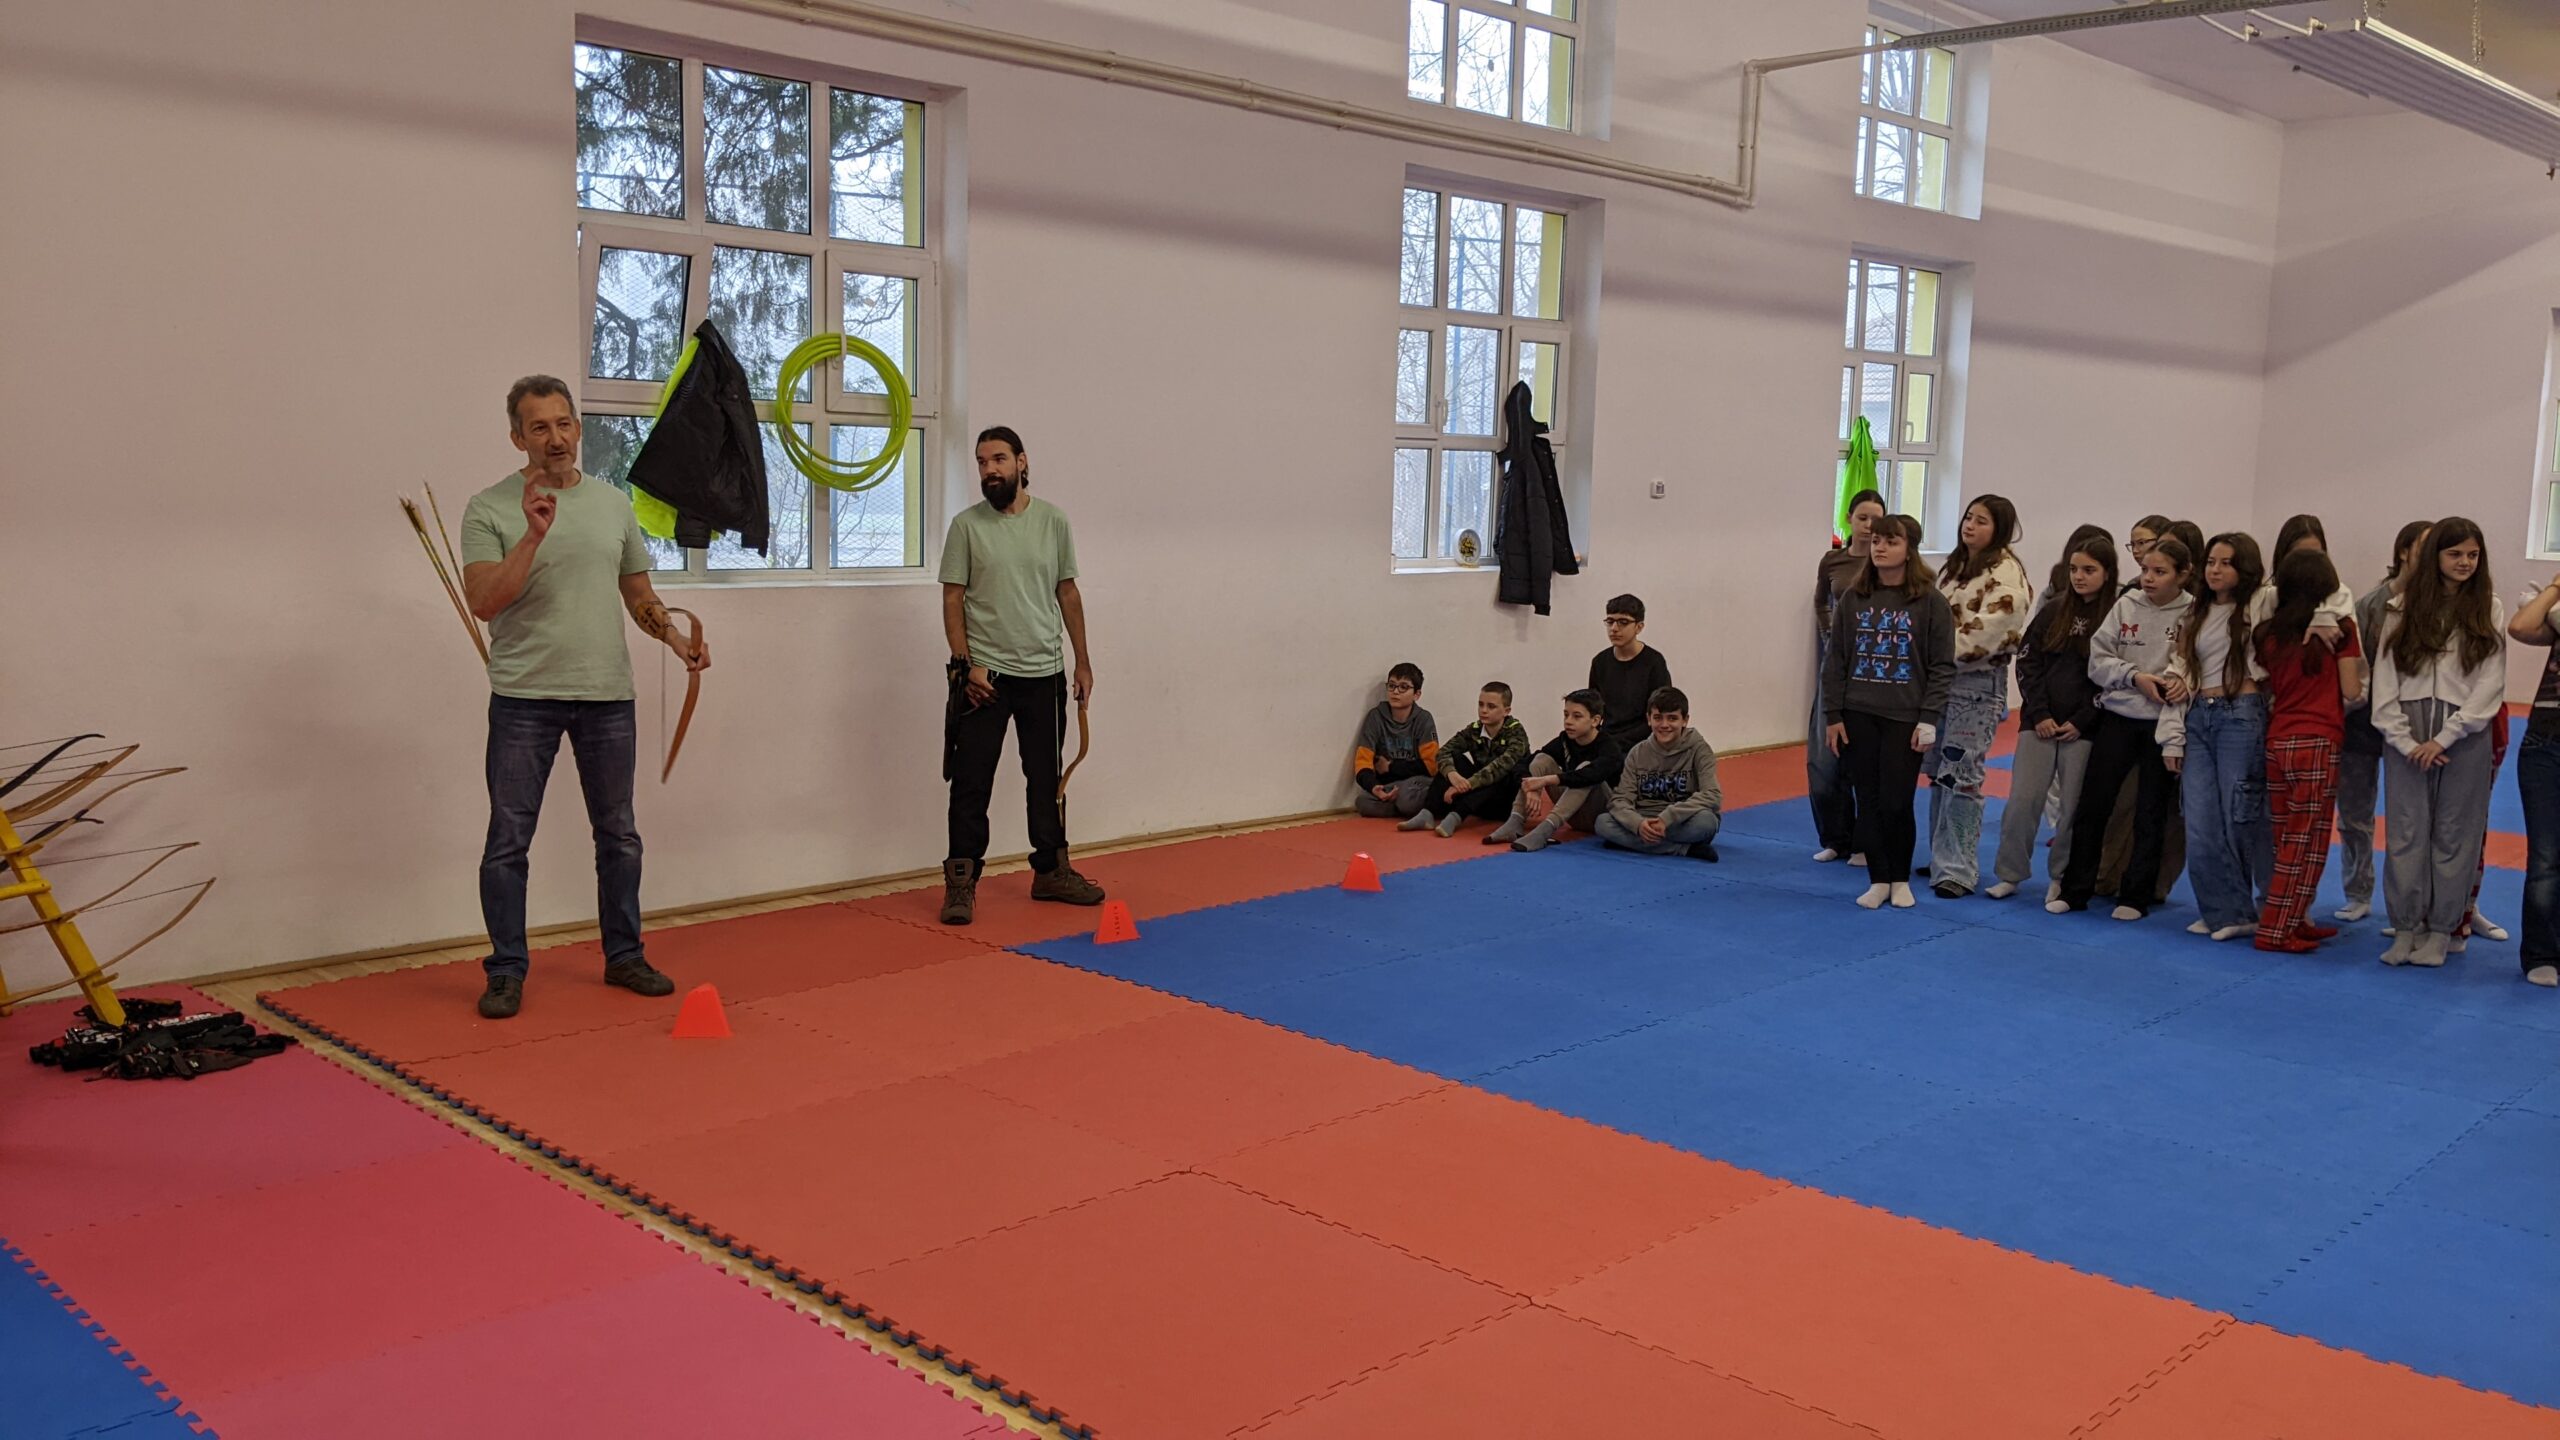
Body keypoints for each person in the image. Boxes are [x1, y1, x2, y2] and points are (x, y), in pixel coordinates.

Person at [458, 376, 704, 1019]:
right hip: (523, 697)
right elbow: (483, 602)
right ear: (517, 437)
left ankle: (624, 956)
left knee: (619, 835)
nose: (556, 437)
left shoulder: (612, 505)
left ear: (577, 428)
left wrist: (675, 638)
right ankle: (506, 970)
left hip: (606, 695)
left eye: (564, 423)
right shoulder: (488, 508)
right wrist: (532, 535)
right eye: (539, 427)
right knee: (508, 840)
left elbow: (639, 594)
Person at [938, 426, 1103, 926]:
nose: (989, 469)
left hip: (1045, 674)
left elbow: (1067, 592)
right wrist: (966, 665)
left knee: (1045, 779)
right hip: (984, 680)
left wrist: (1082, 661)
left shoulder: (1053, 521)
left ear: (1021, 462)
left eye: (998, 459)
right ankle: (961, 881)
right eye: (981, 461)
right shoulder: (966, 527)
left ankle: (1050, 871)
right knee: (971, 782)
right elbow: (952, 599)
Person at [2371, 518, 2506, 968]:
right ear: (2435, 557)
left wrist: (2447, 735)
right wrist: (2403, 738)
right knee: (2406, 833)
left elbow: (2491, 682)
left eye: (2473, 554)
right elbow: (2384, 678)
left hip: (2465, 732)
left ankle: (2441, 931)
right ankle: (2405, 927)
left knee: (2455, 834)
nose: (2465, 562)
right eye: (2455, 554)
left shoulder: (2489, 608)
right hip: (2406, 732)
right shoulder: (2402, 607)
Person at [2053, 536, 2196, 921]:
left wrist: (2180, 682)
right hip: (2118, 718)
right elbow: (2098, 661)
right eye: (2145, 570)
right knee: (2093, 805)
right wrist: (2134, 677)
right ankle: (2075, 889)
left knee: (2150, 812)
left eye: (2160, 572)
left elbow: (2193, 663)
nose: (2148, 578)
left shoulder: (2192, 613)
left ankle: (2135, 896)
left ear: (2183, 575)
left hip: (2162, 725)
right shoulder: (2126, 604)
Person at [1824, 514, 1955, 909]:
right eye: (1876, 541)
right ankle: (1878, 879)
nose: (1880, 548)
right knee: (1869, 801)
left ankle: (1900, 878)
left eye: (1891, 542)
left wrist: (1929, 717)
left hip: (1905, 715)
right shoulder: (1855, 597)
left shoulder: (1930, 601)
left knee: (1896, 801)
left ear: (1909, 549)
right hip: (1858, 711)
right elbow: (1836, 658)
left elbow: (1941, 665)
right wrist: (1833, 715)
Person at [1990, 533, 2117, 901]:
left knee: (2073, 808)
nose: (2079, 576)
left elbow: (2112, 677)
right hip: (2039, 722)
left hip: (2085, 726)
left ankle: (2061, 876)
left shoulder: (2116, 617)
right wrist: (2040, 713)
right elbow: (2028, 661)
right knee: (2022, 801)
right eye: (2074, 569)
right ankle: (2010, 873)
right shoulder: (2053, 609)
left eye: (2089, 570)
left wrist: (2082, 719)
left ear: (2107, 573)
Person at [2159, 533, 2273, 942]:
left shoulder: (2262, 602)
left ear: (2245, 568)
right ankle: (2220, 909)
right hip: (2199, 717)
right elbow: (2181, 664)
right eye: (2210, 562)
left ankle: (2241, 909)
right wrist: (2172, 733)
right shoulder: (2196, 612)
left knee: (2237, 816)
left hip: (2240, 713)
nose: (2215, 570)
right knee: (2199, 819)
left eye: (2226, 563)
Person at [2254, 548, 2364, 953]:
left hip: (2279, 737)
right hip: (2318, 738)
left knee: (2287, 835)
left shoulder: (2268, 633)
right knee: (2307, 839)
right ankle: (2275, 929)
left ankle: (2294, 919)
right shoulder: (2341, 630)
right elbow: (2352, 689)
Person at [1926, 494, 2032, 898]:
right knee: (1939, 773)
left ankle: (1958, 869)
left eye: (1981, 521)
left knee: (1962, 774)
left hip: (1976, 684)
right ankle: (1941, 856)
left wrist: (1933, 652)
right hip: (1940, 680)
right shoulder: (1955, 567)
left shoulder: (2006, 573)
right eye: (1968, 517)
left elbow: (1991, 632)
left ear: (2000, 528)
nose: (1970, 525)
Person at [2335, 521, 2431, 922]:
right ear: (2404, 551)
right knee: (2354, 814)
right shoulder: (2371, 605)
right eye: (2425, 546)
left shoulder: (2436, 605)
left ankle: (2409, 902)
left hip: (2414, 724)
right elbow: (2355, 665)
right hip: (2361, 721)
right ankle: (2358, 891)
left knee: (2411, 820)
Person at [1811, 491, 1886, 864]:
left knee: (1863, 759)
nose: (1869, 526)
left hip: (1871, 669)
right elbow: (1820, 601)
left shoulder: (1885, 563)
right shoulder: (1833, 560)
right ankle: (1835, 838)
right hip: (1835, 664)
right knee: (1824, 761)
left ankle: (1864, 841)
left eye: (1877, 519)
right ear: (1849, 519)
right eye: (1863, 518)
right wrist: (1830, 635)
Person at [2503, 575, 2560, 987]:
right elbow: (2521, 626)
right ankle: (2541, 953)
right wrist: (2556, 588)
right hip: (2545, 741)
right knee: (2545, 856)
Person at [1596, 686, 1722, 859]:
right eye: (1658, 718)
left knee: (1707, 822)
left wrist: (1667, 818)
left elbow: (1712, 795)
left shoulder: (1699, 750)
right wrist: (1637, 824)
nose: (1664, 725)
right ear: (1648, 719)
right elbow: (1620, 799)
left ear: (1685, 720)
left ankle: (1629, 842)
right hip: (1644, 818)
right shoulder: (1637, 753)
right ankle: (1683, 849)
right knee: (1602, 823)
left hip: (1681, 820)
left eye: (1672, 718)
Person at [1495, 689, 1625, 851]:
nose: (1568, 721)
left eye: (1577, 716)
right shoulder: (1565, 740)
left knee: (1584, 769)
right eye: (1566, 715)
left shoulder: (1609, 747)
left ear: (1595, 720)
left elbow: (1592, 774)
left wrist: (1547, 780)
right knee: (1541, 759)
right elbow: (1523, 764)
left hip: (1602, 816)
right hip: (1574, 816)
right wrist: (1531, 789)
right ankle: (1515, 821)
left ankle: (1545, 830)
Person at [1402, 682, 1529, 838]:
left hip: (1505, 802)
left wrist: (1466, 785)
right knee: (1455, 759)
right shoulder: (1475, 729)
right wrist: (1452, 775)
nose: (1484, 710)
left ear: (1506, 711)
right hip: (1478, 798)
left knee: (1500, 774)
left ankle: (1455, 817)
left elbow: (1499, 768)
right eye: (1481, 704)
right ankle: (1427, 813)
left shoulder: (1516, 733)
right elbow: (1443, 752)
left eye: (1491, 706)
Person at [1352, 663, 1439, 820]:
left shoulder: (1424, 719)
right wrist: (1374, 787)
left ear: (1416, 694)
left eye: (1403, 687)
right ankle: (1402, 807)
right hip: (1390, 784)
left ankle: (1407, 805)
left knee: (1407, 796)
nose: (1395, 691)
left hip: (1416, 781)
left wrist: (1391, 767)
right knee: (1362, 802)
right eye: (1391, 686)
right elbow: (1362, 762)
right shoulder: (1375, 717)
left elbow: (1431, 766)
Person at [1591, 595, 1673, 753]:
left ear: (1639, 627)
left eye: (1623, 622)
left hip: (1643, 742)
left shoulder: (1654, 662)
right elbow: (1593, 709)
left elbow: (1660, 713)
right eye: (1610, 621)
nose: (1614, 628)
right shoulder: (1600, 662)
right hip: (1607, 739)